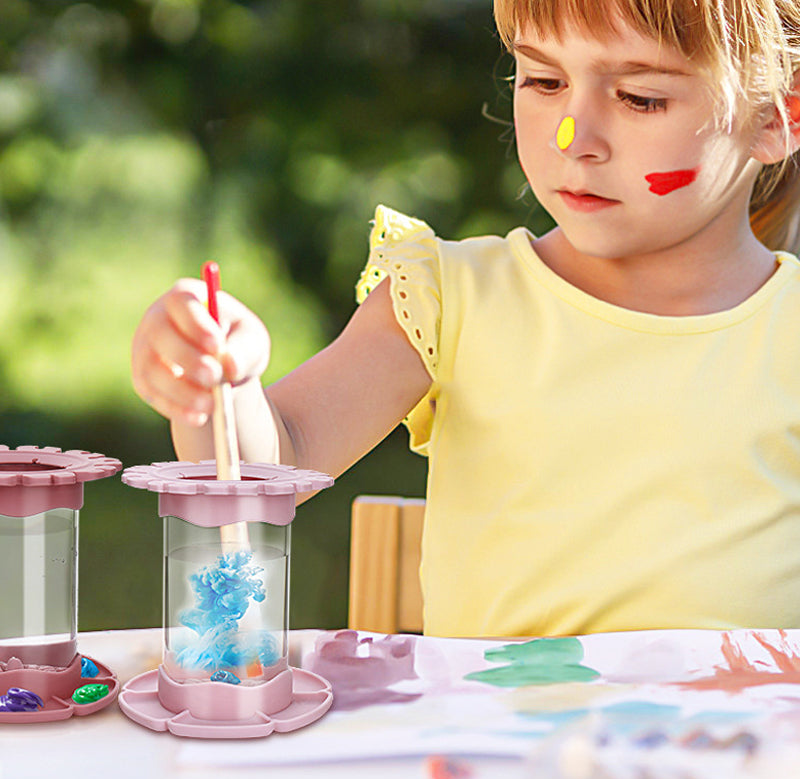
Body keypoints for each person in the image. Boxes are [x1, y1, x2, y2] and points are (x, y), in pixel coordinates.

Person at [131, 0, 800, 638]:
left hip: (738, 724)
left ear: (777, 115)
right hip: (500, 723)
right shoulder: (449, 299)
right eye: (543, 80)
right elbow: (267, 470)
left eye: (639, 97)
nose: (573, 137)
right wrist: (218, 386)